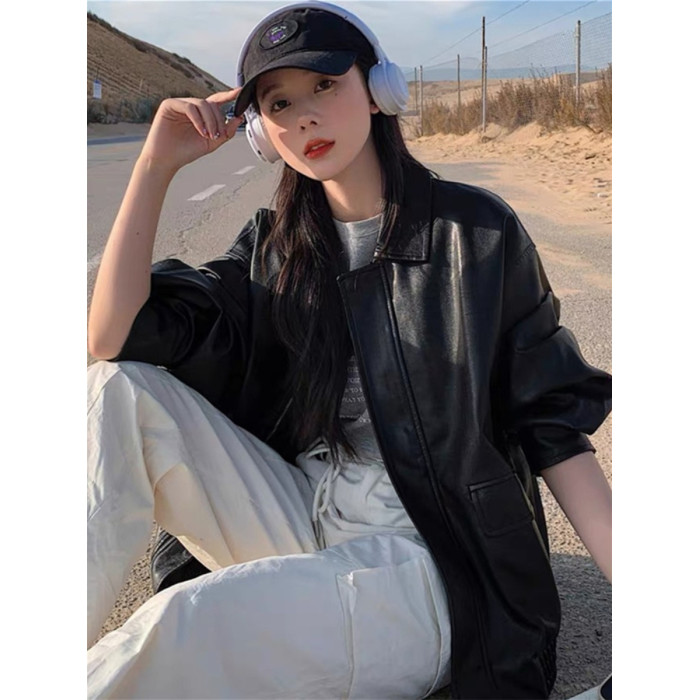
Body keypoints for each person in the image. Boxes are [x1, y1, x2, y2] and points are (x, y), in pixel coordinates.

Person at [87, 2, 612, 698]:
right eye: (279, 102)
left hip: (430, 561)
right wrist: (154, 167)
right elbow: (110, 338)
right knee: (113, 390)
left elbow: (553, 428)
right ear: (261, 131)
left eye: (325, 85)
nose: (305, 116)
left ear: (377, 90)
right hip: (309, 514)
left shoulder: (475, 234)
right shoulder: (276, 250)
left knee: (188, 623)